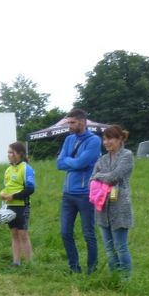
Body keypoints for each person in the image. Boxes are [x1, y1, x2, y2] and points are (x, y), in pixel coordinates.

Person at [56, 108, 101, 274]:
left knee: (88, 233)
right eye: (68, 122)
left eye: (72, 122)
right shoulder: (69, 139)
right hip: (68, 193)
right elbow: (59, 164)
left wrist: (69, 161)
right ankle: (74, 267)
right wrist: (73, 162)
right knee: (65, 232)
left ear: (82, 122)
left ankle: (92, 269)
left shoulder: (94, 141)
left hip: (85, 193)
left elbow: (81, 163)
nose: (69, 125)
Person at [91, 125, 135, 277]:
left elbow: (114, 176)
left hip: (120, 207)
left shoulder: (127, 155)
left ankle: (126, 279)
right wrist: (101, 177)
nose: (106, 142)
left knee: (120, 246)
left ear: (120, 139)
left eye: (110, 139)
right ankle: (114, 277)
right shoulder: (102, 159)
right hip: (102, 208)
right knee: (109, 248)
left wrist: (99, 176)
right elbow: (92, 179)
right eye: (104, 139)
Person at [0, 142, 36, 267]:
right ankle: (16, 262)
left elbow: (30, 189)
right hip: (10, 206)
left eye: (11, 152)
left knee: (23, 234)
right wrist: (3, 193)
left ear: (19, 154)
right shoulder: (8, 170)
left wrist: (13, 196)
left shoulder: (26, 168)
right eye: (8, 152)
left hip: (22, 206)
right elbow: (7, 187)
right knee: (14, 234)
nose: (8, 155)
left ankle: (29, 263)